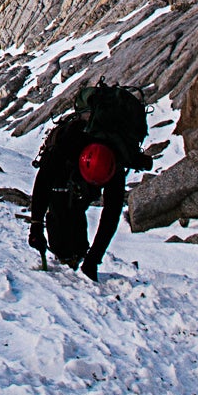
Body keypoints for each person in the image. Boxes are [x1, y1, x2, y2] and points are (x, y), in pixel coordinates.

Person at [28, 83, 149, 280]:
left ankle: (76, 255)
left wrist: (95, 258)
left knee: (74, 208)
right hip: (66, 172)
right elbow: (43, 182)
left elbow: (111, 213)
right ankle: (69, 254)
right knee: (61, 204)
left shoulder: (115, 165)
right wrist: (36, 225)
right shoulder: (67, 144)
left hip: (84, 176)